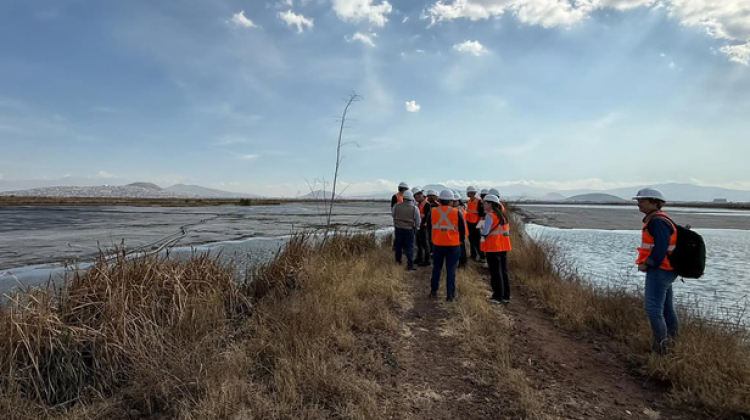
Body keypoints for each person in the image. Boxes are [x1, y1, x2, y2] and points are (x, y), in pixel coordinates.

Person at [633, 188, 679, 355]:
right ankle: (673, 343)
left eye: (643, 201)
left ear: (655, 202)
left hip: (660, 269)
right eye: (639, 201)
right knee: (667, 308)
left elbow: (660, 246)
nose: (639, 204)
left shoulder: (657, 221)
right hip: (667, 269)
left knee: (653, 308)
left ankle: (661, 348)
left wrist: (648, 263)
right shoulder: (658, 219)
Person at [428, 189, 466, 301]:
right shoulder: (456, 212)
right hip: (453, 245)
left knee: (436, 269)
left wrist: (432, 240)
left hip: (438, 244)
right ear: (450, 201)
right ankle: (450, 295)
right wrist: (460, 240)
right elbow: (462, 229)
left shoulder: (433, 211)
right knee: (450, 270)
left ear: (439, 200)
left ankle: (433, 291)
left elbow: (429, 229)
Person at [481, 194, 512, 304]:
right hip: (503, 246)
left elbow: (485, 232)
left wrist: (481, 228)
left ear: (490, 204)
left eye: (485, 202)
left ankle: (497, 296)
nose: (483, 204)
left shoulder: (490, 216)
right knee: (503, 271)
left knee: (495, 273)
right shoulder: (503, 216)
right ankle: (505, 295)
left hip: (493, 247)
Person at [392, 190, 421, 270]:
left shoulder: (396, 205)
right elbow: (418, 220)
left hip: (398, 228)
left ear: (403, 198)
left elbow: (393, 215)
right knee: (409, 247)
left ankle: (398, 261)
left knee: (398, 246)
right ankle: (410, 264)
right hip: (409, 230)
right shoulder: (414, 208)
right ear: (412, 198)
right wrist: (417, 228)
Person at [465, 185, 484, 262]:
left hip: (476, 223)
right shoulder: (468, 201)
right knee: (471, 239)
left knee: (477, 241)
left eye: (470, 192)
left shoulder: (479, 201)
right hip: (469, 223)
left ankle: (482, 256)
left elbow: (482, 214)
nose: (469, 194)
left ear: (473, 193)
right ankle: (473, 255)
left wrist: (479, 225)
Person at [413, 187, 431, 266]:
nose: (415, 199)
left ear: (420, 195)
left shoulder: (426, 204)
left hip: (424, 226)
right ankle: (419, 258)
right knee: (419, 243)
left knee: (425, 244)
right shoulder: (419, 204)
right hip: (419, 226)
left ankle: (427, 260)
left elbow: (427, 216)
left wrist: (421, 217)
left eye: (416, 197)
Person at [453, 191, 468, 268]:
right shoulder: (460, 209)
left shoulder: (459, 210)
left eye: (455, 201)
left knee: (461, 248)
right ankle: (462, 262)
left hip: (460, 231)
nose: (453, 202)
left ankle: (462, 263)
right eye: (453, 201)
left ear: (458, 201)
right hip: (460, 231)